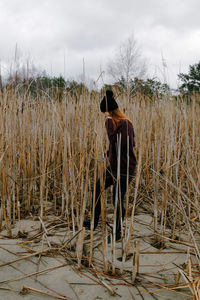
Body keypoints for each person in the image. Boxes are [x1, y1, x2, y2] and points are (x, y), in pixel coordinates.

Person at [85, 90, 137, 241]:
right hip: (114, 167)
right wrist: (109, 153)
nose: (104, 116)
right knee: (97, 188)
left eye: (106, 113)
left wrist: (109, 126)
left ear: (112, 112)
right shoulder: (116, 124)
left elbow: (125, 144)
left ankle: (118, 233)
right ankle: (93, 223)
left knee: (117, 199)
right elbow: (114, 144)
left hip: (125, 168)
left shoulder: (125, 123)